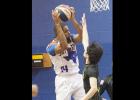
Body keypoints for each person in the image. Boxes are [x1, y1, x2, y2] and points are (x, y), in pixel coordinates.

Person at [46, 7, 85, 100]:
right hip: (63, 80)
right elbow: (63, 45)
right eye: (66, 31)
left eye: (68, 30)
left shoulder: (71, 38)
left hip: (77, 76)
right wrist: (57, 23)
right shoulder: (50, 47)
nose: (69, 32)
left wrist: (72, 19)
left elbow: (82, 35)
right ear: (59, 33)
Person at [81, 13, 103, 100]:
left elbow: (93, 89)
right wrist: (84, 25)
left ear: (88, 55)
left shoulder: (91, 70)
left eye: (86, 50)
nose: (85, 49)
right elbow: (85, 41)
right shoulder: (91, 62)